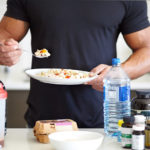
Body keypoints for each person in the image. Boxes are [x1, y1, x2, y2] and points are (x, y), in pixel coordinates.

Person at [0, 0, 150, 128]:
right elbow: (4, 38)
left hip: (103, 123)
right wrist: (5, 51)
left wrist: (116, 74)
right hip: (42, 123)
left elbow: (147, 50)